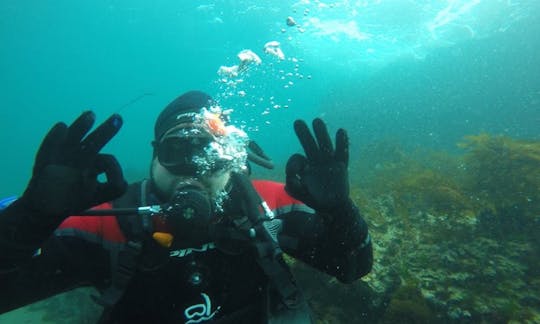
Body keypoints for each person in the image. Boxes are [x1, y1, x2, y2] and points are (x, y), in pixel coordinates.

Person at [0, 90, 372, 323]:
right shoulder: (106, 226)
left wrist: (340, 212)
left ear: (232, 158)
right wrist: (29, 220)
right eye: (176, 150)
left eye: (208, 154)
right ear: (154, 157)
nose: (193, 171)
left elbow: (353, 266)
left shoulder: (267, 207)